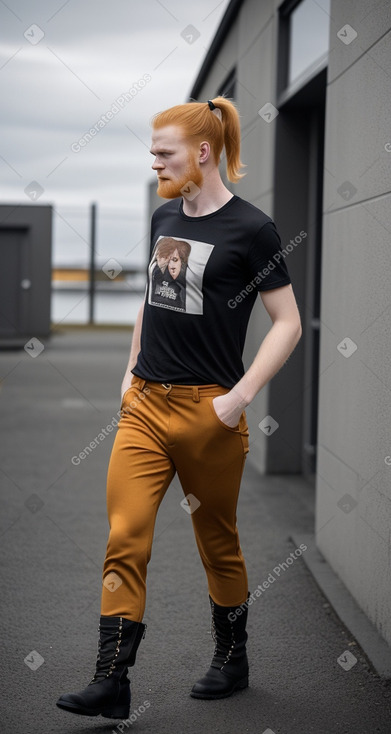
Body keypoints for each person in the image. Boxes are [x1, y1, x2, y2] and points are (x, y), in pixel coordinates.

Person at [56, 96, 302, 718]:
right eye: (152, 153)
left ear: (202, 151)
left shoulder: (253, 229)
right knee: (125, 535)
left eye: (163, 154)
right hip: (145, 406)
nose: (156, 164)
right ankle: (112, 680)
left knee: (217, 542)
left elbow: (288, 323)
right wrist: (130, 366)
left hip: (209, 414)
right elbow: (151, 296)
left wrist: (239, 398)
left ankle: (232, 659)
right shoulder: (165, 217)